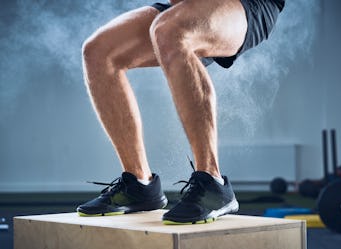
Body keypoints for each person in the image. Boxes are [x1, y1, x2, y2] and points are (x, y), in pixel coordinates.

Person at [77, 0, 285, 224]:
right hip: (184, 6)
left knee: (170, 30)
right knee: (98, 51)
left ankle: (212, 183)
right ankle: (140, 185)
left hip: (247, 5)